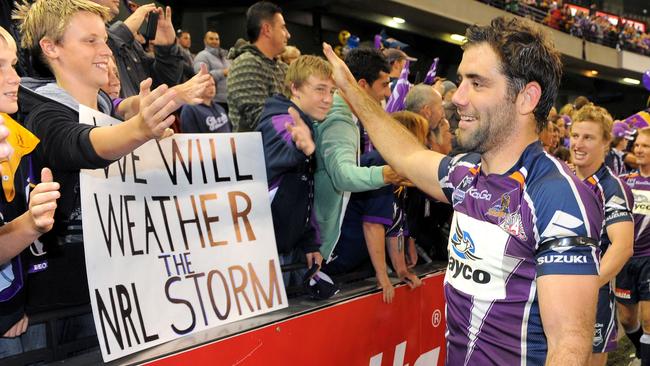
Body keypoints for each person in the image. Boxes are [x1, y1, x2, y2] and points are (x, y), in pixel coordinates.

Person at [321, 16, 603, 364]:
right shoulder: (464, 171)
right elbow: (407, 155)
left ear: (527, 97)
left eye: (477, 83)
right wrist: (353, 93)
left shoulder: (556, 196)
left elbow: (569, 346)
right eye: (460, 82)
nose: (459, 98)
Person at [13, 0, 207, 345]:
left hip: (122, 297)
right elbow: (82, 144)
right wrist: (138, 131)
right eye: (90, 41)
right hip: (56, 312)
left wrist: (147, 141)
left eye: (104, 39)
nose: (106, 50)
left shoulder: (110, 113)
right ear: (51, 48)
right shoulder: (41, 115)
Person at [313, 47, 407, 265]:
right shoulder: (339, 121)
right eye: (384, 85)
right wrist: (388, 173)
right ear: (362, 85)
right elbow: (343, 176)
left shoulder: (345, 115)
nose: (386, 94)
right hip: (318, 243)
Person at [0, 25, 60, 357]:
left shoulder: (18, 140)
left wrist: (33, 223)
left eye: (12, 65)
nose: (15, 78)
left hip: (22, 307)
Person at [257, 55, 334, 285]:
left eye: (332, 91)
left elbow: (303, 193)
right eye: (321, 89)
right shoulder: (280, 120)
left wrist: (309, 242)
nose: (328, 99)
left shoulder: (306, 124)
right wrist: (300, 146)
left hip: (291, 251)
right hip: (266, 256)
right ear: (295, 88)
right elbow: (286, 138)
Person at [569, 104, 634, 365]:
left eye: (588, 137)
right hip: (552, 292)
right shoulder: (561, 178)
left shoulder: (612, 187)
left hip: (592, 298)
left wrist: (587, 285)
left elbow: (623, 246)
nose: (578, 144)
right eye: (575, 136)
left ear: (606, 143)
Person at [91, 0, 183, 97]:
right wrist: (124, 30)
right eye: (90, 40)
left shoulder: (131, 43)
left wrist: (166, 50)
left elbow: (166, 83)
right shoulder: (76, 34)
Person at [227, 1, 290, 132]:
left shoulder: (282, 67)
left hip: (280, 148)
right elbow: (261, 121)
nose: (288, 34)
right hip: (257, 151)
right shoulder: (245, 65)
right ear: (267, 29)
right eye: (283, 28)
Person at [617, 127, 650, 366]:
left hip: (649, 259)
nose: (639, 149)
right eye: (637, 144)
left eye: (646, 146)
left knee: (649, 321)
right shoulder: (624, 180)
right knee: (627, 319)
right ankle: (642, 352)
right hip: (626, 258)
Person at [193, 31, 230, 111]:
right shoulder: (201, 56)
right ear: (205, 41)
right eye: (211, 39)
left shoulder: (224, 56)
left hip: (229, 100)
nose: (214, 41)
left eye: (217, 39)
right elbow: (201, 76)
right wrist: (222, 72)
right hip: (214, 101)